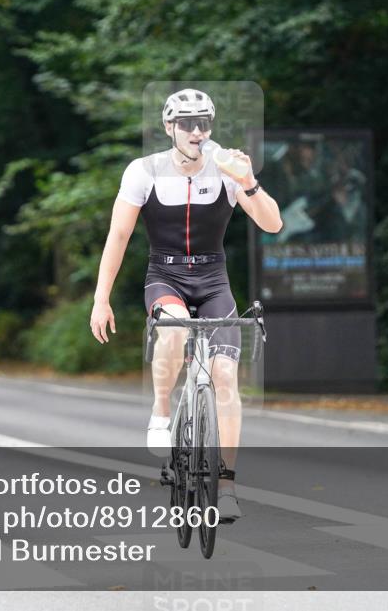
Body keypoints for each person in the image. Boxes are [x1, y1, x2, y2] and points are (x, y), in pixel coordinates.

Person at [90, 89, 283, 521]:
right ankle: (161, 411)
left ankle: (228, 483)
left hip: (214, 280)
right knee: (174, 325)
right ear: (169, 128)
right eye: (187, 124)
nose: (197, 132)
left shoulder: (227, 167)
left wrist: (248, 181)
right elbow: (118, 237)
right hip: (166, 276)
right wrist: (101, 298)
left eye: (204, 123)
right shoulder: (144, 171)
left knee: (226, 378)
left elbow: (273, 223)